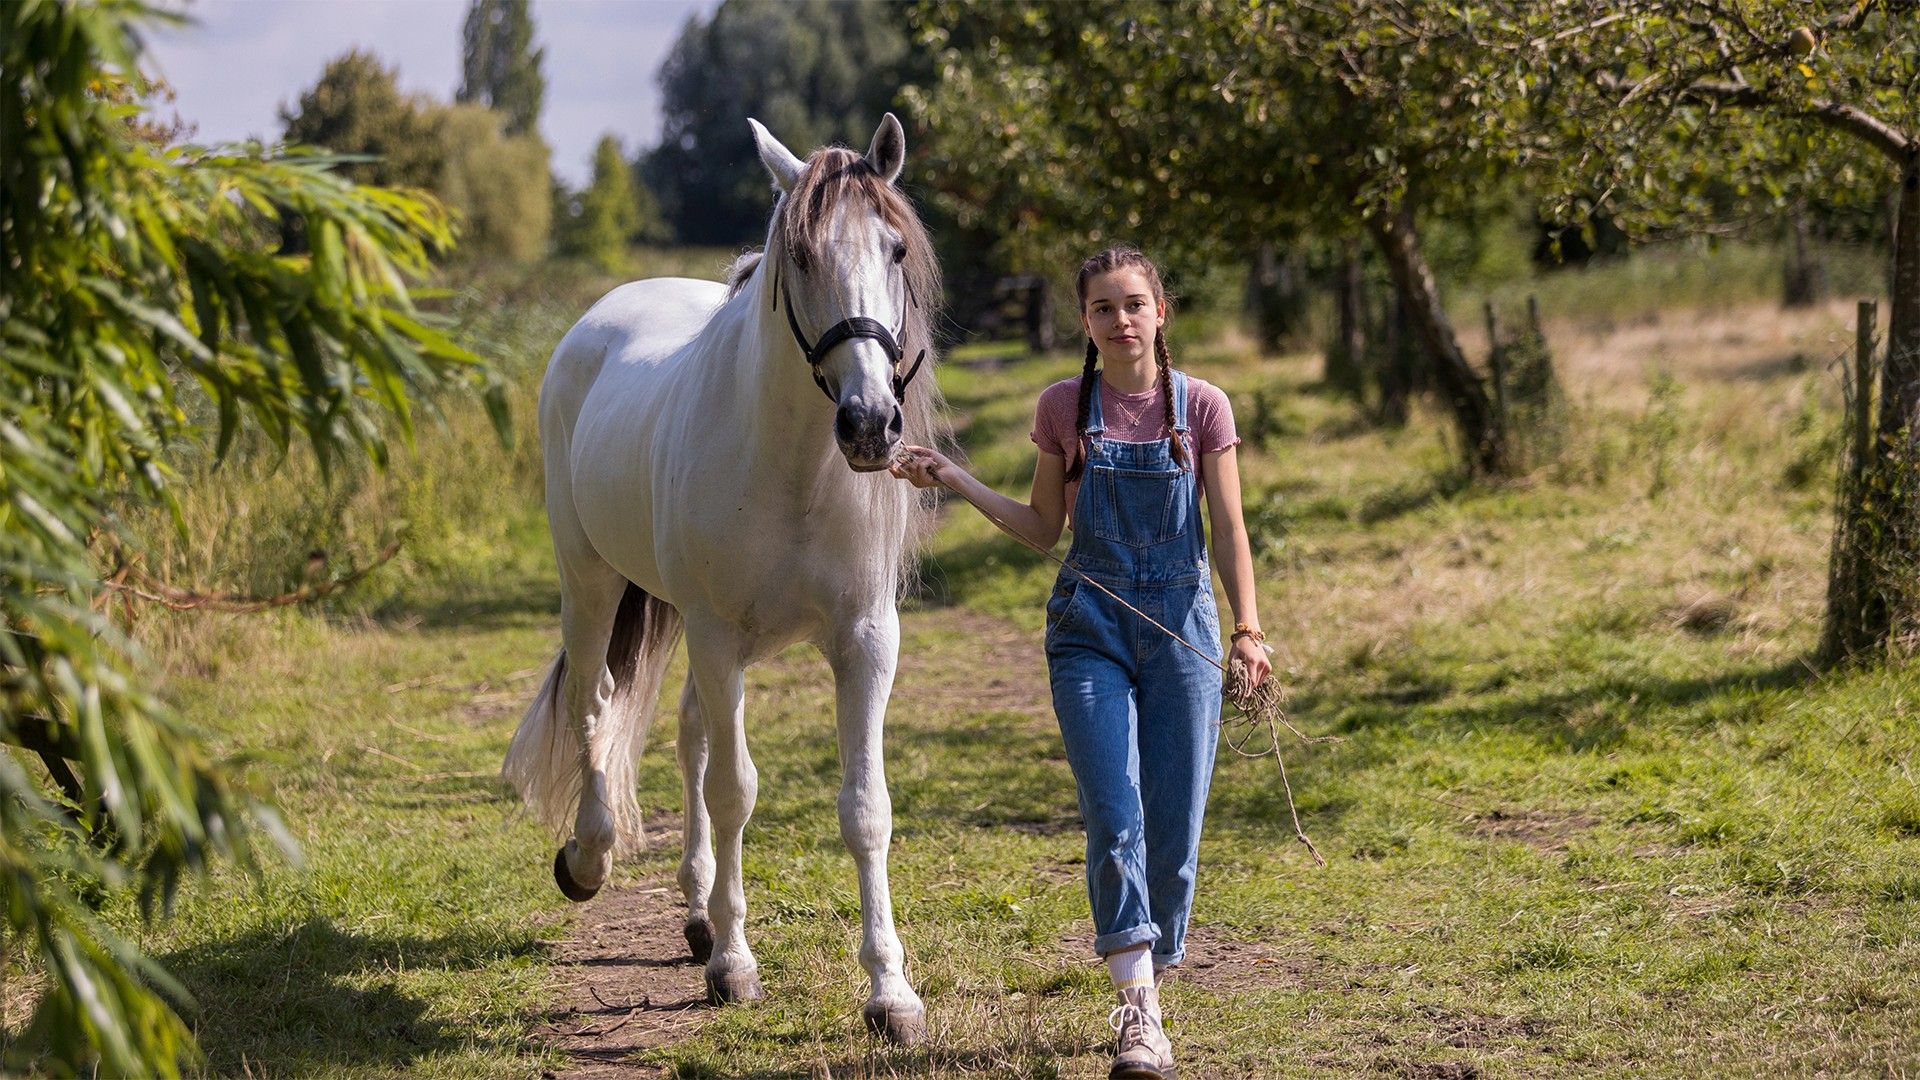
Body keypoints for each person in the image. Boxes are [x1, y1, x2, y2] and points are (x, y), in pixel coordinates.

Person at [890, 246, 1271, 1079]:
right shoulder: (1065, 405)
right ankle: (1139, 1010)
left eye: (1134, 304)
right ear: (1087, 324)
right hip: (1088, 628)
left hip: (1184, 630)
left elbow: (1232, 532)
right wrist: (953, 477)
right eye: (1103, 308)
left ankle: (1153, 962)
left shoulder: (1202, 406)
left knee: (1174, 831)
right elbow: (1040, 529)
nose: (1120, 320)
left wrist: (1247, 629)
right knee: (1116, 813)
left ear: (1160, 312)